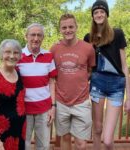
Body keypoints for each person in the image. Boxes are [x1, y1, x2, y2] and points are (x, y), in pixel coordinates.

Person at [83, 0, 130, 150]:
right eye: (96, 12)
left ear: (106, 14)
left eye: (102, 11)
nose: (99, 14)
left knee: (108, 140)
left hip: (117, 86)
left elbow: (124, 67)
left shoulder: (117, 34)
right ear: (93, 16)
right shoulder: (88, 38)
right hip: (97, 84)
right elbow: (87, 67)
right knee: (97, 129)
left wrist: (129, 97)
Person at [50, 14, 95, 150]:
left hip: (81, 102)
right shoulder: (54, 49)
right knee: (65, 138)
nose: (68, 30)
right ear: (60, 29)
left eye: (70, 26)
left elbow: (90, 70)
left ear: (76, 27)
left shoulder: (88, 48)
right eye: (64, 27)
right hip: (61, 102)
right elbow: (50, 73)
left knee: (81, 144)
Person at [19, 23, 57, 150]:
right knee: (24, 145)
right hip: (23, 109)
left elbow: (52, 82)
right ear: (26, 36)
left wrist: (53, 106)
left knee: (44, 146)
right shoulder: (17, 55)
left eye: (39, 35)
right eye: (33, 35)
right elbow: (6, 74)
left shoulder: (49, 56)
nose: (36, 38)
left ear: (43, 38)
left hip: (44, 109)